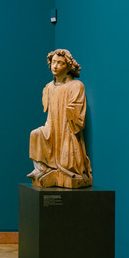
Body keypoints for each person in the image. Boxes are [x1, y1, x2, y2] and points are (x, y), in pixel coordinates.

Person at [27, 49, 92, 188]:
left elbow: (77, 110)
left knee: (66, 158)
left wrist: (70, 110)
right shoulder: (48, 87)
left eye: (60, 63)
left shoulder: (76, 85)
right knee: (35, 134)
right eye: (53, 62)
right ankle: (42, 169)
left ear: (68, 67)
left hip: (67, 129)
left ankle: (63, 171)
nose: (55, 66)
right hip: (51, 128)